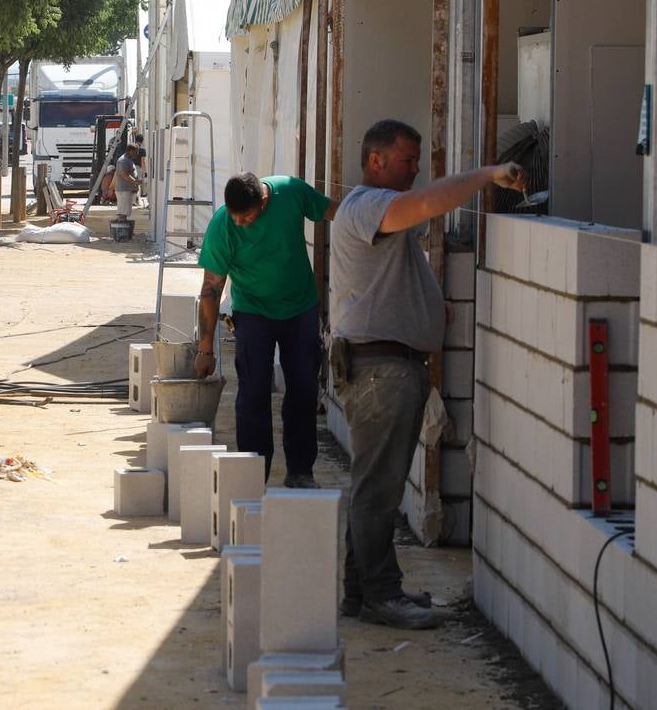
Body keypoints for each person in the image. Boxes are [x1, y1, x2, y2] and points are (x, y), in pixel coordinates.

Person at [331, 119, 524, 630]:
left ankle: (363, 591)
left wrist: (429, 310)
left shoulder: (376, 214)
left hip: (386, 366)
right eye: (406, 160)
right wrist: (486, 175)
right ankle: (378, 594)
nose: (415, 170)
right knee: (379, 491)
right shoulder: (371, 205)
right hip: (381, 370)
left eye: (418, 161)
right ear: (376, 161)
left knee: (376, 487)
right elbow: (426, 204)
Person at [195, 173, 337, 485]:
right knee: (253, 393)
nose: (240, 222)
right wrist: (205, 349)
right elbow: (211, 290)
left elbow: (333, 212)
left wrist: (376, 222)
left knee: (302, 390)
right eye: (234, 215)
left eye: (245, 216)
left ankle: (301, 472)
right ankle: (252, 475)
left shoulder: (291, 192)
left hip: (300, 309)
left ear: (264, 200)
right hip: (253, 312)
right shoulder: (223, 225)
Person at [114, 143, 142, 219]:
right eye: (136, 151)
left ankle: (121, 228)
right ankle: (121, 229)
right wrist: (135, 181)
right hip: (124, 191)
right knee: (123, 213)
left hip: (126, 190)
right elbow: (124, 174)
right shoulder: (123, 160)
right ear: (130, 151)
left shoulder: (127, 160)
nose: (137, 154)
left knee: (124, 212)